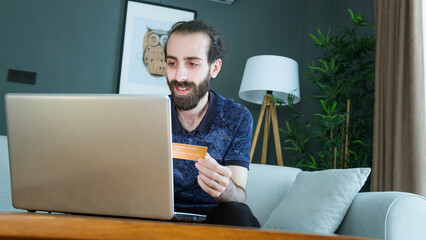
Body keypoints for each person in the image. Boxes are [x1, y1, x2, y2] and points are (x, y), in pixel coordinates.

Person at [164, 20, 260, 228]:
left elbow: (238, 195)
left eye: (192, 64)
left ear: (214, 68)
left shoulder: (237, 117)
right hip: (157, 215)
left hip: (212, 220)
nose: (179, 76)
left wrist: (224, 187)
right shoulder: (150, 112)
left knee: (238, 213)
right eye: (172, 63)